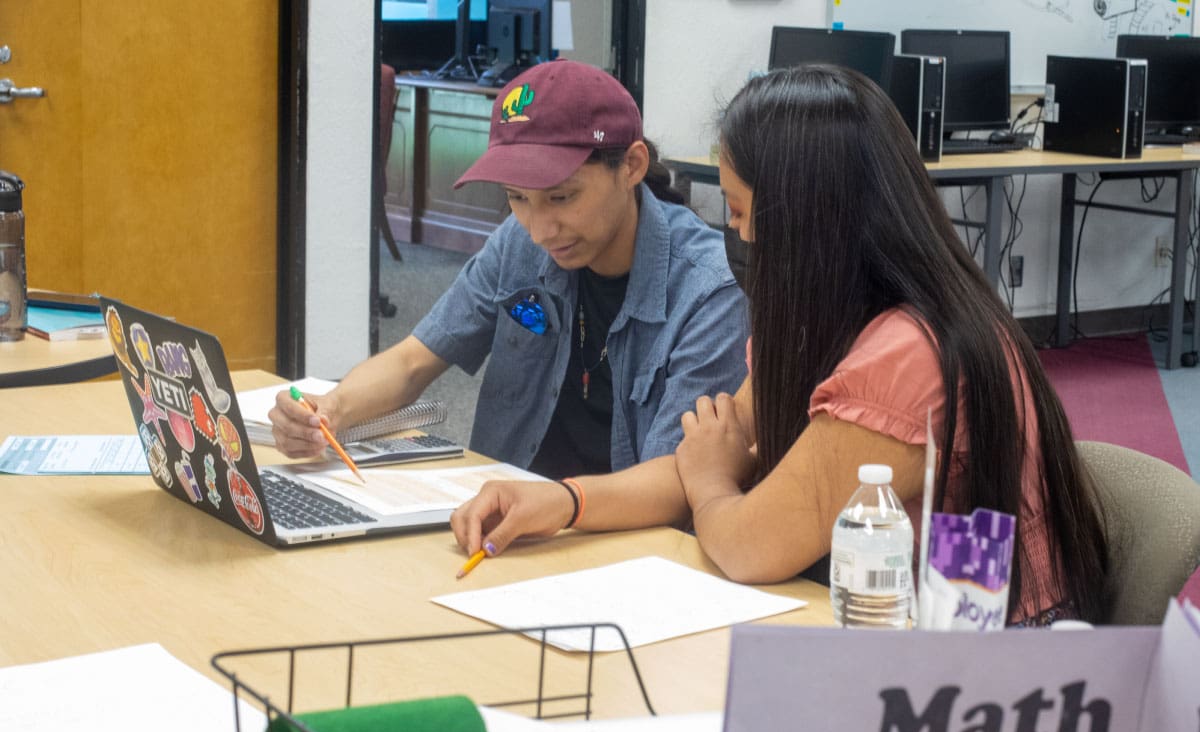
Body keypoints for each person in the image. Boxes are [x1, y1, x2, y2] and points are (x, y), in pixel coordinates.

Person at [449, 64, 1111, 627]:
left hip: (974, 670)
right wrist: (565, 503)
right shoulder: (830, 321)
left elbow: (748, 543)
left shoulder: (906, 358)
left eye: (738, 213)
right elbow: (705, 450)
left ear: (805, 218)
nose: (733, 235)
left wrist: (713, 480)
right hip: (865, 619)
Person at [270, 60, 748, 477]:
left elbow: (675, 481)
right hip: (505, 521)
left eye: (562, 197)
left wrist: (560, 504)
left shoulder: (709, 288)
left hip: (626, 549)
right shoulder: (519, 243)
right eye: (516, 198)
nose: (539, 230)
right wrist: (330, 412)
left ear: (631, 165)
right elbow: (414, 361)